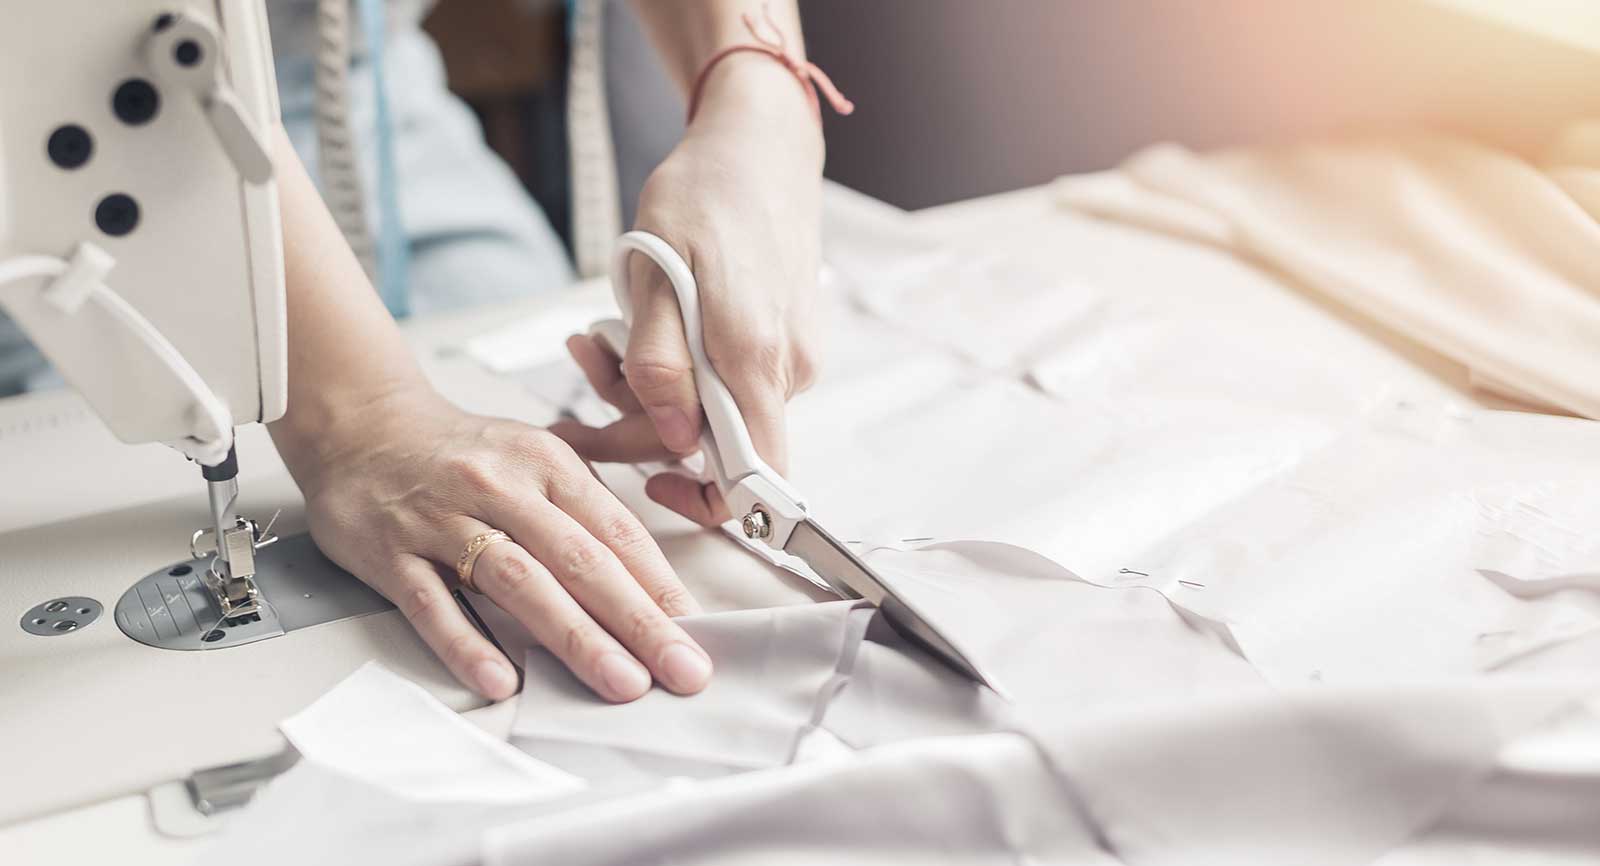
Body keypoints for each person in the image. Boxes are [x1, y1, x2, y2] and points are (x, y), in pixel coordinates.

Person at [261, 1, 834, 704]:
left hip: (388, 117)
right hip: (121, 160)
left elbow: (754, 100)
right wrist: (356, 422)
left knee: (524, 362)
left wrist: (759, 109)